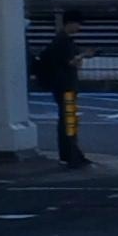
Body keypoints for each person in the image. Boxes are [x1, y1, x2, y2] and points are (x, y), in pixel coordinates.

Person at [31, 15, 89, 169]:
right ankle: (71, 154)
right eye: (77, 24)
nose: (79, 28)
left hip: (61, 85)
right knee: (69, 120)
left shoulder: (60, 40)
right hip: (66, 85)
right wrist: (84, 55)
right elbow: (70, 62)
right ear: (69, 23)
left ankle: (70, 153)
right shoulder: (63, 42)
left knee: (67, 119)